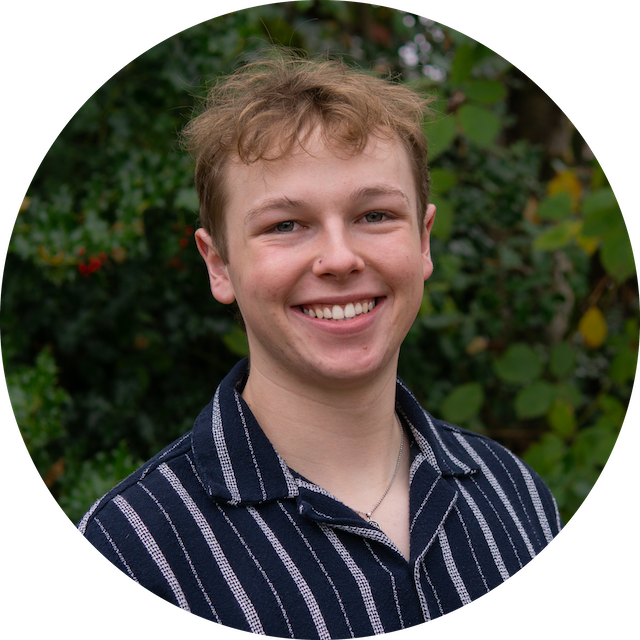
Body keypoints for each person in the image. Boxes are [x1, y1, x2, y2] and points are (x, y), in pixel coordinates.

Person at [78, 49, 561, 636]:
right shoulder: (133, 550)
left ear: (423, 240)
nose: (339, 258)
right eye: (285, 225)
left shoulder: (513, 494)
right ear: (219, 264)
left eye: (375, 215)